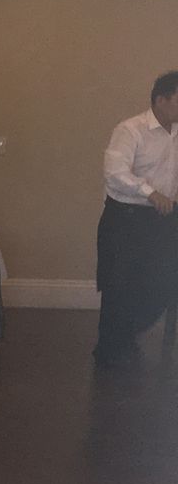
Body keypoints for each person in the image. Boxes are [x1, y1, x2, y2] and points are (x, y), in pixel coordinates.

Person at [94, 71, 178, 367]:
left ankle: (127, 334)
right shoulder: (131, 129)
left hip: (166, 220)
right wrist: (149, 192)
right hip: (127, 218)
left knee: (163, 283)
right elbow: (115, 172)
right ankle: (110, 352)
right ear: (161, 99)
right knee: (119, 284)